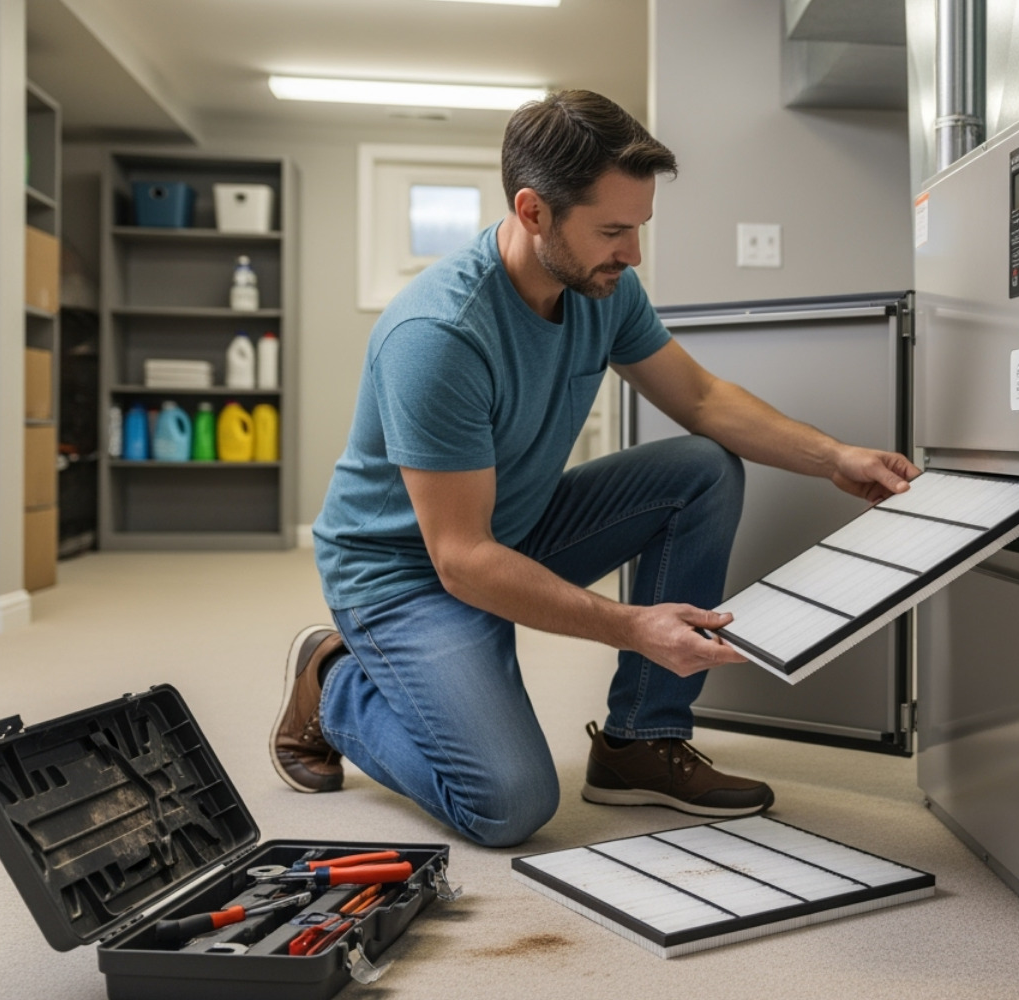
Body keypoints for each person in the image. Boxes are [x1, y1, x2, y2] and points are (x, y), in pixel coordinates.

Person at [269, 89, 919, 848]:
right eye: (613, 231)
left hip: (517, 525)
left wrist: (833, 456)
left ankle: (640, 741)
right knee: (507, 805)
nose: (632, 254)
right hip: (410, 575)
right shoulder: (438, 336)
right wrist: (632, 627)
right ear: (534, 210)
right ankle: (335, 684)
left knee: (701, 469)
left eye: (638, 228)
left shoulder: (603, 288)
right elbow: (462, 559)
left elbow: (703, 398)